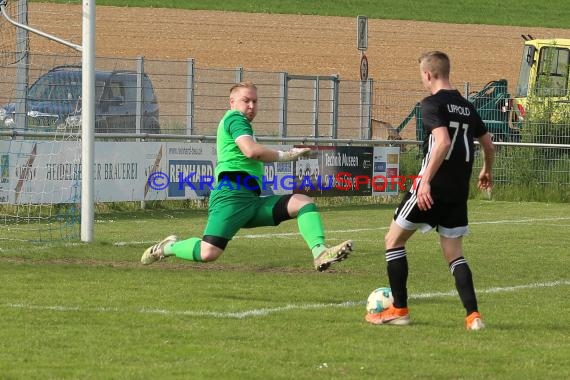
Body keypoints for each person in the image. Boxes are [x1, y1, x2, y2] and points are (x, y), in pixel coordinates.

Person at [141, 81, 353, 271]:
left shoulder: (242, 123)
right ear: (232, 102)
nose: (251, 106)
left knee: (302, 202)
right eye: (246, 101)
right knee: (208, 253)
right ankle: (167, 247)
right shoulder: (235, 118)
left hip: (250, 199)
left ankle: (320, 252)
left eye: (255, 101)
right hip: (231, 195)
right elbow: (252, 151)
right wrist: (287, 155)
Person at [365, 51, 495, 330]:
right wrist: (487, 170)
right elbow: (488, 143)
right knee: (455, 254)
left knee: (393, 241)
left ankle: (399, 310)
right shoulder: (467, 107)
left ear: (428, 75)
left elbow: (443, 142)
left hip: (431, 187)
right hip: (458, 191)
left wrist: (424, 181)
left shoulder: (430, 104)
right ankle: (473, 317)